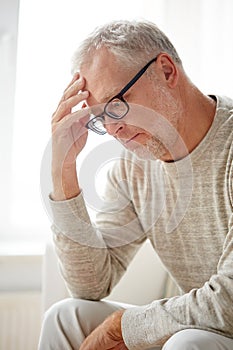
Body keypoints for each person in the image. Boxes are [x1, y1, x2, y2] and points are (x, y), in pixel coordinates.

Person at [38, 19, 233, 350]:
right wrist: (64, 169)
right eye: (100, 119)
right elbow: (90, 286)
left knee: (187, 343)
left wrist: (121, 328)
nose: (113, 131)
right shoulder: (133, 168)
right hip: (206, 329)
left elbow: (228, 300)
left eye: (116, 105)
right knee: (65, 317)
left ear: (166, 71)